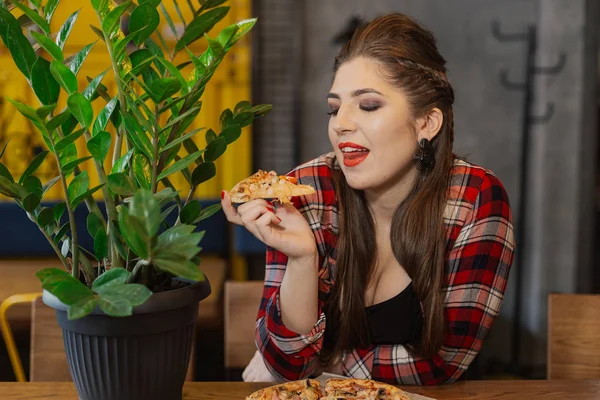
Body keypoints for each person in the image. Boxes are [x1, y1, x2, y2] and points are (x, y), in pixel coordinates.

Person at [221, 12, 515, 385]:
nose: (340, 123)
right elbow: (284, 364)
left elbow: (443, 363)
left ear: (426, 123)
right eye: (334, 107)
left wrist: (325, 364)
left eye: (369, 105)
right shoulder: (306, 189)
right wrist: (302, 258)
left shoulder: (475, 199)